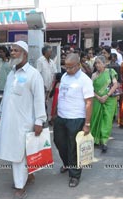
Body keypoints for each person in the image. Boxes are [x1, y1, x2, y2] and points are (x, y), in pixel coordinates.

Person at [0, 41, 47, 199]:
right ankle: (27, 177)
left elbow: (39, 98)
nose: (12, 53)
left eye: (16, 50)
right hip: (9, 121)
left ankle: (20, 186)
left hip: (25, 121)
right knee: (15, 151)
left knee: (19, 154)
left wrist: (39, 120)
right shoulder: (12, 73)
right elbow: (6, 97)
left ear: (25, 54)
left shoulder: (33, 74)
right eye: (12, 50)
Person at [53, 53, 94, 188]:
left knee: (74, 148)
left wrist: (87, 124)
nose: (67, 69)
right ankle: (67, 163)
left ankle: (74, 175)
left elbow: (89, 102)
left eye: (71, 67)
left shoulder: (84, 80)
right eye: (66, 66)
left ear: (78, 65)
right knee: (59, 142)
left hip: (76, 119)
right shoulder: (65, 76)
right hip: (61, 117)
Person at [90, 55, 118, 152]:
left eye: (99, 63)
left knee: (107, 120)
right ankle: (95, 139)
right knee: (96, 118)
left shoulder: (110, 72)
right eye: (96, 63)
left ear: (104, 64)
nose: (97, 65)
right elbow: (90, 89)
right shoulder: (93, 75)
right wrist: (98, 97)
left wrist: (107, 95)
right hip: (97, 100)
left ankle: (104, 141)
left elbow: (115, 84)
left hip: (109, 100)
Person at [36, 45, 57, 123]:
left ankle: (49, 119)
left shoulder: (51, 62)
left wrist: (53, 85)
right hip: (43, 86)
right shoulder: (40, 61)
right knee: (42, 103)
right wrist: (42, 85)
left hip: (51, 86)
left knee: (50, 103)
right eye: (50, 51)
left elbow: (54, 73)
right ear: (45, 52)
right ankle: (42, 119)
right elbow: (38, 74)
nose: (51, 53)